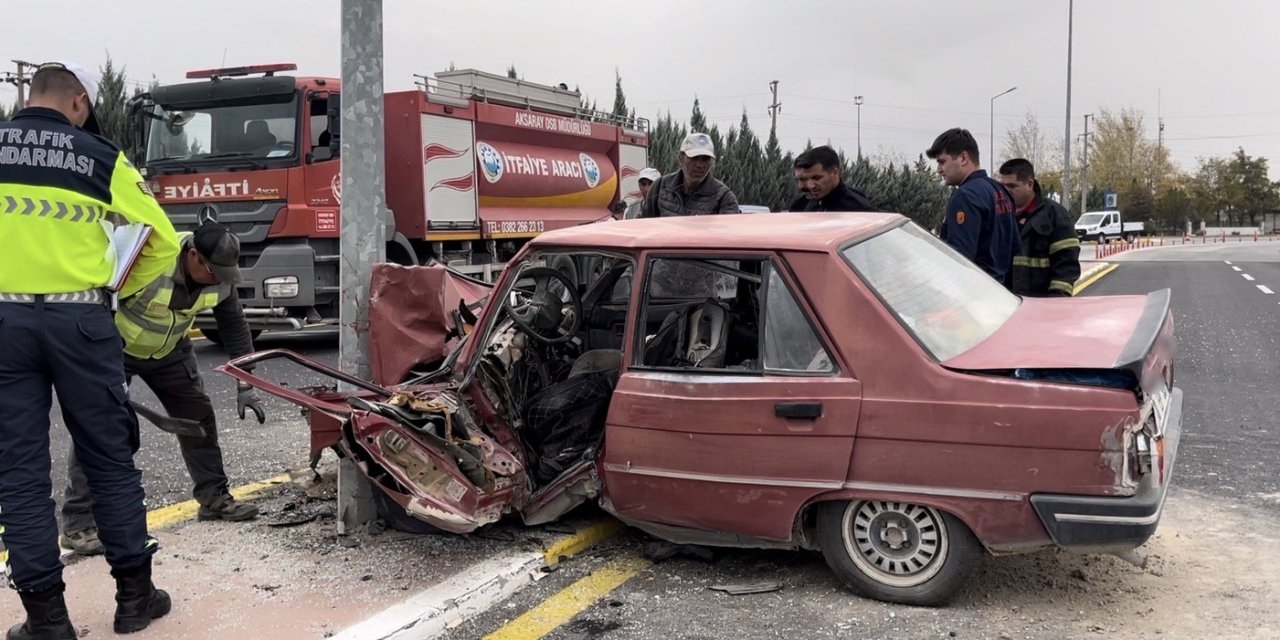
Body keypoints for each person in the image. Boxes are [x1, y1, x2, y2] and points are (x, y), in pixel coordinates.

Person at [0, 61, 179, 638]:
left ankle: (47, 620)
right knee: (107, 458)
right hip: (81, 319)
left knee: (19, 473)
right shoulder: (100, 157)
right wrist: (115, 284)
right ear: (78, 101)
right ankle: (134, 600)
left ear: (30, 96)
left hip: (3, 320)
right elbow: (163, 240)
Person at [60, 221, 268, 557]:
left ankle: (214, 498)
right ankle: (78, 523)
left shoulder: (221, 280)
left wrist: (246, 382)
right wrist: (94, 363)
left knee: (198, 419)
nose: (219, 279)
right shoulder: (149, 258)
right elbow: (96, 303)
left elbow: (234, 325)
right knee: (97, 429)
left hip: (170, 352)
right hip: (117, 351)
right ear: (193, 256)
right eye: (214, 271)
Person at [925, 128, 1021, 285]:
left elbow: (959, 260)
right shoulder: (999, 189)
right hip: (1003, 293)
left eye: (942, 161)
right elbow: (1014, 247)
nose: (939, 170)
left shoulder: (966, 196)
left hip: (977, 294)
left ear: (963, 158)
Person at [997, 159, 1081, 296]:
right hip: (1007, 306)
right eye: (1003, 186)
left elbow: (1066, 266)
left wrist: (1055, 301)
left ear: (1029, 184)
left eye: (1012, 186)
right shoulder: (999, 216)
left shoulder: (1055, 216)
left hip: (1041, 306)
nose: (1006, 191)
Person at [639, 133, 740, 218]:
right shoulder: (660, 186)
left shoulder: (723, 196)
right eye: (694, 158)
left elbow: (731, 236)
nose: (699, 165)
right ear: (680, 158)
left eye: (706, 159)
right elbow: (644, 228)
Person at [789, 145, 878, 212]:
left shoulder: (858, 210)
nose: (810, 186)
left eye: (816, 178)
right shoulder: (799, 207)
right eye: (802, 179)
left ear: (835, 173)